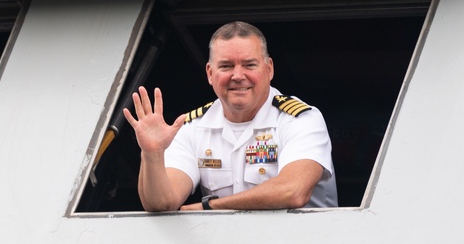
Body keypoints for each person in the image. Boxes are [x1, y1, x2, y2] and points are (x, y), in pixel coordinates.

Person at [123, 21, 337, 212]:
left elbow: (293, 191)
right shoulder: (191, 127)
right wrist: (152, 155)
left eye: (249, 65)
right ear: (209, 73)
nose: (237, 75)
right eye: (226, 66)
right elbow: (161, 202)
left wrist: (210, 206)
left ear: (269, 69)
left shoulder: (300, 119)